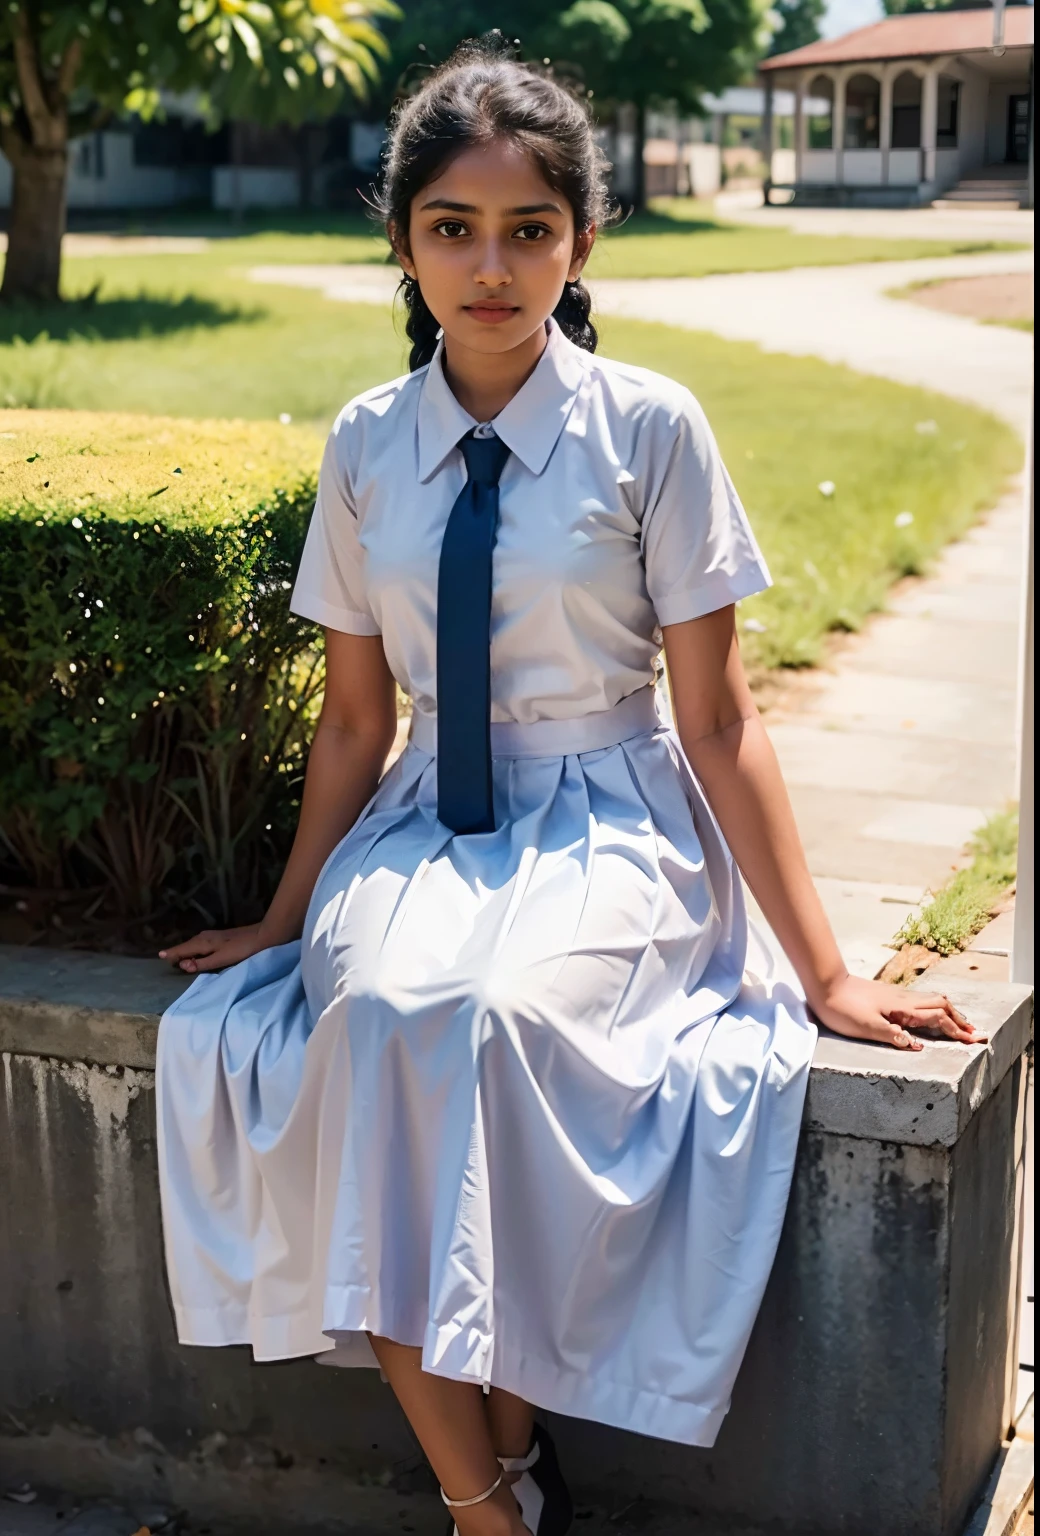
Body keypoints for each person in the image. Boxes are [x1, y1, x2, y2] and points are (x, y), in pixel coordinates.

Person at [156, 41, 982, 1536]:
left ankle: (508, 1449)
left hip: (610, 818)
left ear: (583, 240)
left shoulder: (650, 429)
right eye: (452, 230)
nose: (491, 267)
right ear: (401, 242)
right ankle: (487, 1504)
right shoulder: (366, 444)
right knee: (385, 1024)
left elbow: (722, 719)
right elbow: (354, 722)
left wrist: (827, 970)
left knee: (503, 1023)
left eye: (528, 230)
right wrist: (285, 923)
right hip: (422, 826)